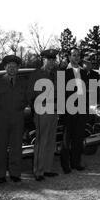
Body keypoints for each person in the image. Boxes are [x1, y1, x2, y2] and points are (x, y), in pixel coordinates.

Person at [0, 55, 28, 183]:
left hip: (17, 118)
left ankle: (15, 173)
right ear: (5, 67)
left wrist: (19, 109)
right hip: (1, 119)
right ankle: (1, 175)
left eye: (14, 67)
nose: (12, 69)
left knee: (16, 147)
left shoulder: (23, 83)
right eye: (9, 66)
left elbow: (26, 99)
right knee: (1, 147)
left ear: (18, 68)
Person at [27, 49, 59, 181]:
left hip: (54, 109)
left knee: (51, 140)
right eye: (49, 59)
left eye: (53, 60)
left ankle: (47, 169)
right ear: (43, 60)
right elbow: (30, 93)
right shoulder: (37, 74)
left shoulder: (57, 73)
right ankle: (38, 171)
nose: (51, 62)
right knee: (41, 141)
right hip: (43, 108)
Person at [60, 47, 88, 173]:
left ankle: (76, 163)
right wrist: (62, 112)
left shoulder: (84, 72)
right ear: (69, 57)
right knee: (67, 139)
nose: (76, 57)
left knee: (78, 138)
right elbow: (61, 94)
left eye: (78, 55)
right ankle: (65, 166)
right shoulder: (63, 72)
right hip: (68, 109)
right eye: (74, 55)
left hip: (81, 109)